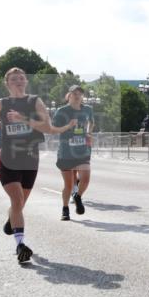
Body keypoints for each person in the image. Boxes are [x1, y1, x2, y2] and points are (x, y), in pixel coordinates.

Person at [0, 68, 76, 264]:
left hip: (30, 159)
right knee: (17, 201)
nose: (18, 81)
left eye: (21, 78)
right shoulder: (1, 104)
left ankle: (11, 221)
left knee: (20, 204)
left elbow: (48, 128)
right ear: (7, 83)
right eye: (14, 79)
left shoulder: (35, 102)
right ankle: (20, 245)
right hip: (9, 159)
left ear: (25, 81)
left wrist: (23, 119)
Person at [53, 85, 96, 221]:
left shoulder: (88, 109)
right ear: (69, 95)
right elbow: (54, 129)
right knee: (69, 184)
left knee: (86, 177)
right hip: (66, 152)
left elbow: (91, 122)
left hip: (83, 150)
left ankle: (77, 196)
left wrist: (88, 133)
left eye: (80, 93)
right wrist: (68, 126)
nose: (77, 96)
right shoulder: (61, 111)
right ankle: (65, 209)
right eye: (74, 93)